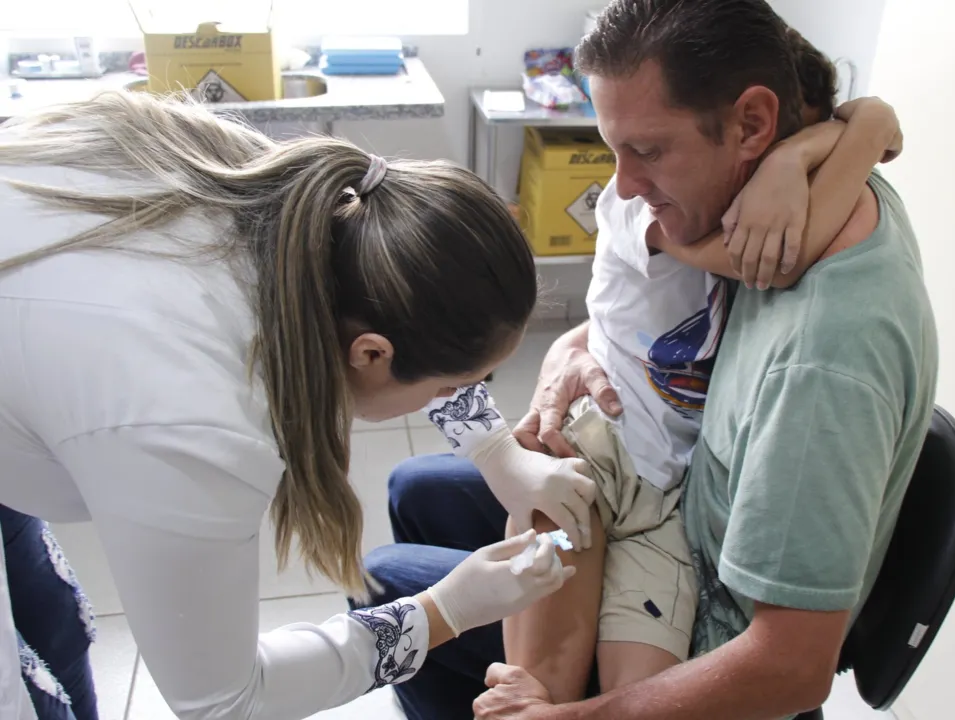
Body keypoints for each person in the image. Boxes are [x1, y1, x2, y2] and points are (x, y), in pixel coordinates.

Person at [363, 1, 937, 719]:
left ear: (754, 126)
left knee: (386, 585)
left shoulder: (819, 354)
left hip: (705, 622)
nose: (623, 187)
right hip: (650, 475)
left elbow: (790, 665)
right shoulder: (786, 193)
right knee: (418, 487)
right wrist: (575, 350)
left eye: (650, 150)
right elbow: (644, 308)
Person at [0, 90, 578, 720]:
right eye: (452, 386)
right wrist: (444, 612)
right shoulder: (197, 427)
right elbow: (222, 701)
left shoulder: (302, 207)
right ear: (371, 356)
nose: (459, 397)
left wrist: (495, 450)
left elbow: (419, 317)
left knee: (50, 630)